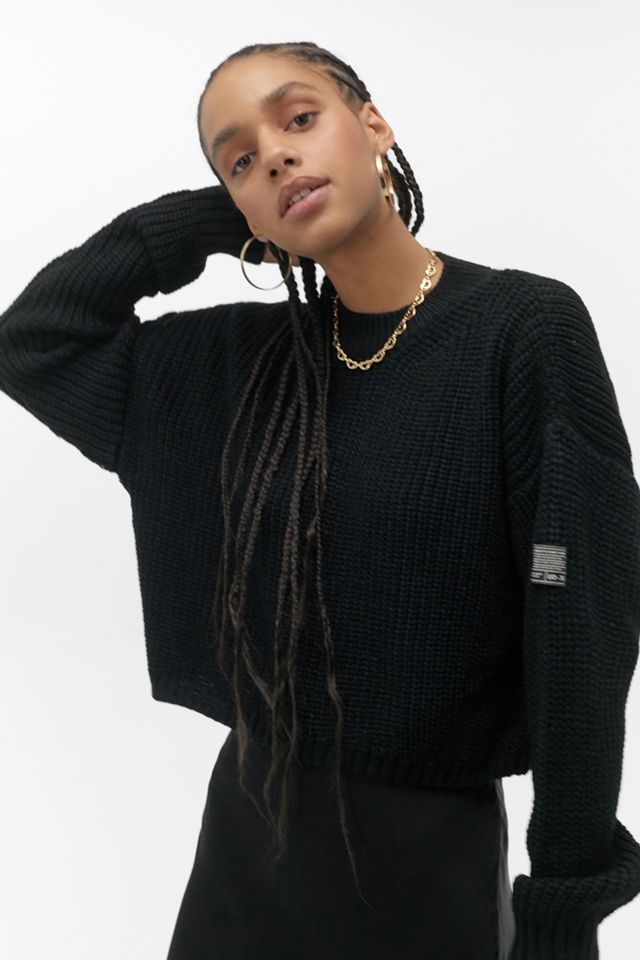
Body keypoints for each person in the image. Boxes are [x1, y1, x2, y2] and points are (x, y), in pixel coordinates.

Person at [1, 40, 639, 960]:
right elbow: (34, 342)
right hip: (245, 845)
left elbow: (578, 609)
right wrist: (212, 220)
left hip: (427, 860)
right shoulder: (236, 366)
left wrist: (566, 899)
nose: (275, 157)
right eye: (239, 160)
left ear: (373, 124)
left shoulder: (520, 329)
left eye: (299, 119)